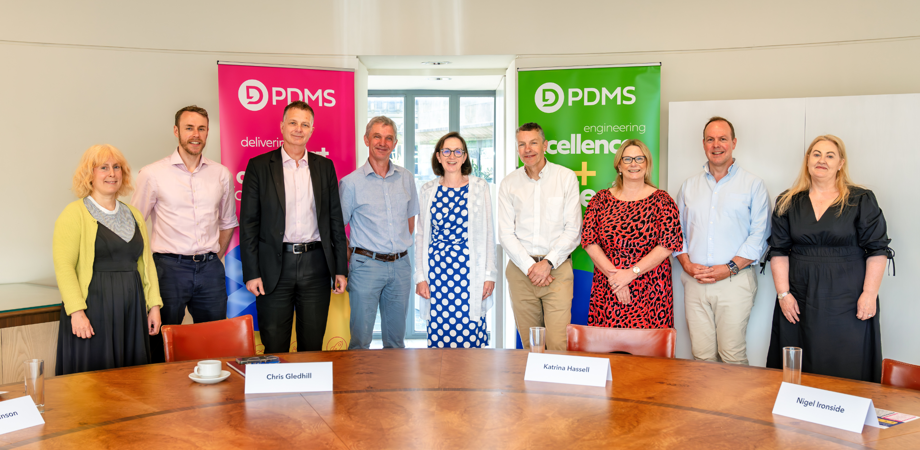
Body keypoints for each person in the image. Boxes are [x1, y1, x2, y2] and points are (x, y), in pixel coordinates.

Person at [765, 135, 893, 382]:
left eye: (829, 155)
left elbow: (877, 250)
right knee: (799, 369)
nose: (821, 160)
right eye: (816, 154)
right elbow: (778, 251)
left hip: (848, 298)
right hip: (798, 298)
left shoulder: (860, 199)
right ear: (808, 160)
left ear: (841, 163)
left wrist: (869, 294)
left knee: (847, 363)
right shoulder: (788, 201)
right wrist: (783, 295)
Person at [239, 101, 348, 354]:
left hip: (316, 265)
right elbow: (249, 224)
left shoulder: (324, 167)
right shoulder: (259, 166)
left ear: (311, 130)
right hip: (274, 268)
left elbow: (335, 221)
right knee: (274, 343)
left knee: (312, 345)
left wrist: (340, 269)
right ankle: (275, 395)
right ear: (282, 126)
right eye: (293, 123)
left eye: (305, 124)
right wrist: (252, 272)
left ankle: (308, 394)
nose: (299, 129)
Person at [132, 105, 238, 363]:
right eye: (189, 128)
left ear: (208, 132)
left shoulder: (221, 174)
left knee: (214, 342)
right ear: (176, 131)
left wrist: (212, 255)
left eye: (201, 128)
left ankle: (213, 401)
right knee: (159, 341)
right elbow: (135, 224)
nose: (196, 134)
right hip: (168, 270)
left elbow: (227, 222)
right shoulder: (152, 174)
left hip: (210, 270)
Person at [53, 144, 163, 375]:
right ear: (89, 174)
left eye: (117, 167)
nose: (112, 173)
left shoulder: (134, 214)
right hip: (92, 310)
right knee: (93, 381)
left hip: (132, 309)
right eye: (103, 167)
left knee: (133, 379)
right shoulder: (74, 213)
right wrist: (76, 312)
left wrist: (154, 305)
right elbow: (64, 267)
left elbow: (146, 263)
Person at [674, 116, 771, 365]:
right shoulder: (688, 187)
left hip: (735, 280)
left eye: (722, 139)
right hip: (695, 281)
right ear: (703, 143)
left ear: (734, 142)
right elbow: (678, 233)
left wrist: (728, 268)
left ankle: (733, 407)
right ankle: (706, 406)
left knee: (732, 356)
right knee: (701, 357)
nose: (716, 145)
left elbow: (759, 236)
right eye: (710, 139)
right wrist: (686, 264)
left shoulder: (753, 185)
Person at [582, 139, 683, 328]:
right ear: (619, 165)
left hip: (651, 289)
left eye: (639, 158)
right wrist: (617, 279)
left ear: (647, 164)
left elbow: (668, 244)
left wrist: (631, 274)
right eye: (627, 159)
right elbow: (589, 241)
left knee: (649, 352)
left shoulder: (662, 200)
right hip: (609, 287)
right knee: (608, 349)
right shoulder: (600, 200)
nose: (633, 164)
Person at [498, 122, 582, 351]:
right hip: (520, 272)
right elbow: (505, 233)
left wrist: (547, 263)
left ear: (545, 145)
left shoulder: (565, 178)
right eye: (522, 144)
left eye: (533, 142)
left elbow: (574, 230)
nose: (528, 149)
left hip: (557, 270)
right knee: (530, 346)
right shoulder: (509, 183)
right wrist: (530, 267)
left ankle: (557, 388)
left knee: (558, 345)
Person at [340, 116, 420, 349]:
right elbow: (337, 229)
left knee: (396, 342)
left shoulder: (406, 177)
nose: (382, 143)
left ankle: (393, 386)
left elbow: (410, 219)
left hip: (401, 266)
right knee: (360, 341)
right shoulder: (351, 183)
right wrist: (354, 257)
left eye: (389, 138)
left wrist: (398, 247)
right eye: (377, 136)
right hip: (366, 266)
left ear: (395, 144)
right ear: (366, 140)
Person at [414, 132, 496, 348]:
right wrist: (420, 277)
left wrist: (489, 274)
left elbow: (488, 233)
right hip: (437, 273)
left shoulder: (480, 187)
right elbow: (421, 235)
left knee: (470, 332)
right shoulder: (427, 190)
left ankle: (472, 381)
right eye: (446, 151)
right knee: (440, 333)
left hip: (471, 272)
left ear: (465, 156)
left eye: (458, 151)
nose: (452, 156)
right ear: (438, 157)